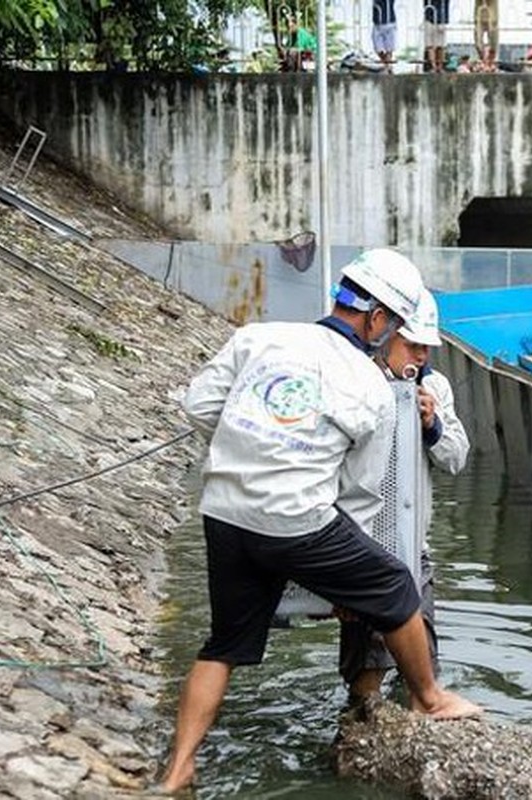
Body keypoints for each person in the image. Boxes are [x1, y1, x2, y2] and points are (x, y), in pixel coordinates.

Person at [159, 249, 479, 793]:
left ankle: (177, 770)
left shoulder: (260, 337)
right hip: (296, 517)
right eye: (399, 327)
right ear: (378, 320)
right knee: (397, 586)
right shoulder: (367, 382)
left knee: (223, 645)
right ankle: (430, 698)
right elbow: (358, 495)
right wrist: (339, 581)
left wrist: (253, 449)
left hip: (224, 511)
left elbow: (199, 405)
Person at [340, 290, 470, 703]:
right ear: (387, 335)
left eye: (426, 348)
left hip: (415, 547)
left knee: (424, 665)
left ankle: (421, 719)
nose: (420, 356)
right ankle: (361, 726)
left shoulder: (434, 386)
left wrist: (431, 425)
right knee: (367, 668)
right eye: (412, 345)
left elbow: (456, 458)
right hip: (363, 544)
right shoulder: (356, 378)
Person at [423, 0, 450, 73]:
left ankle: (440, 66)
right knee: (430, 45)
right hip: (429, 17)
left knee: (441, 45)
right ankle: (433, 66)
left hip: (441, 18)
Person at [474, 0, 499, 69]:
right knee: (478, 42)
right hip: (479, 15)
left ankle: (490, 63)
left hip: (492, 16)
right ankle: (483, 61)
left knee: (493, 40)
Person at [372, 0, 397, 68]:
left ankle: (388, 67)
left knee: (389, 49)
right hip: (377, 24)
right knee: (378, 48)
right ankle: (387, 65)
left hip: (390, 23)